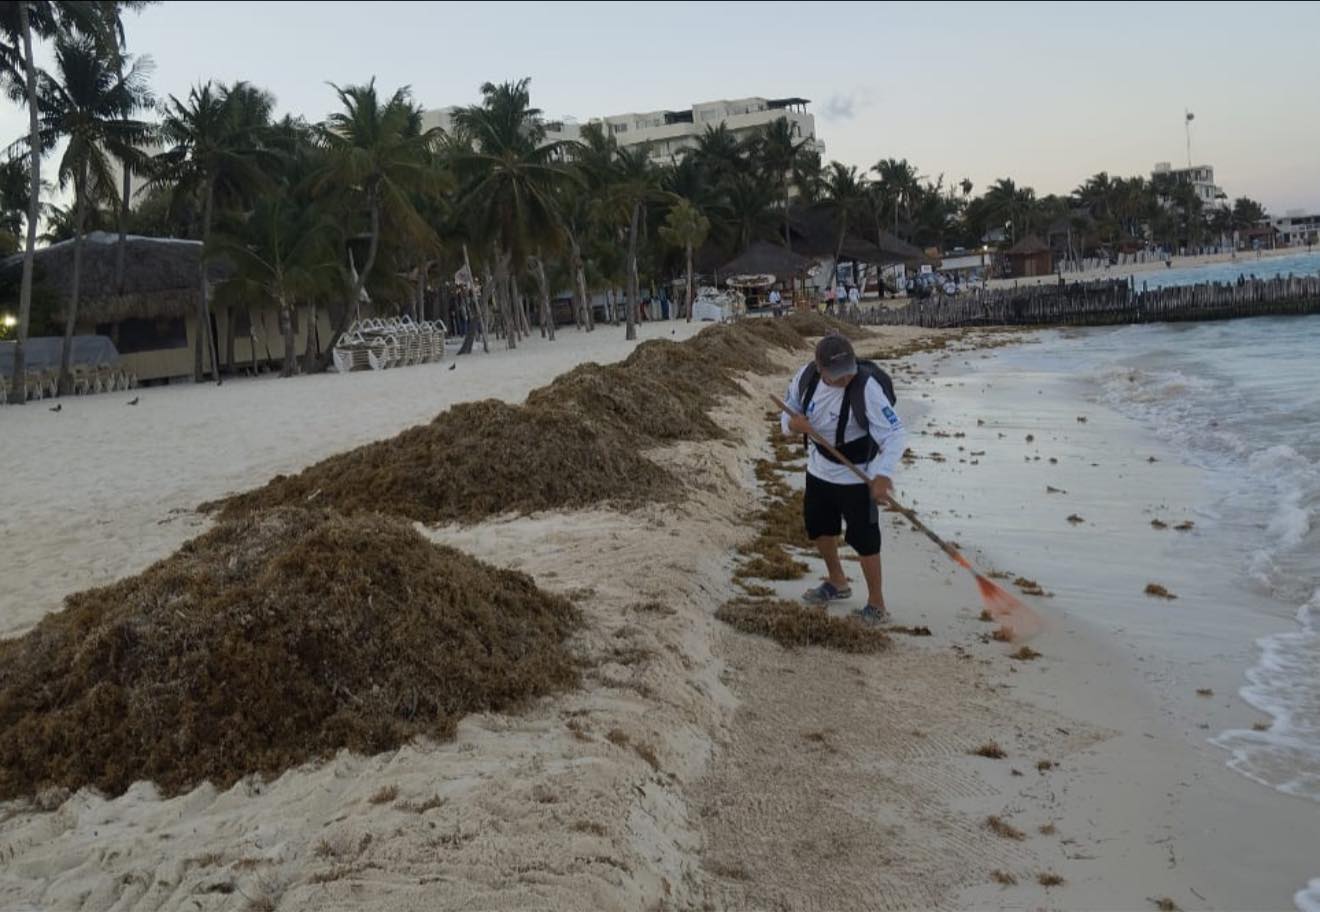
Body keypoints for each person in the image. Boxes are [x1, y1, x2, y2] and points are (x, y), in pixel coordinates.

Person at [780, 334, 907, 625]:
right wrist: (792, 425)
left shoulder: (866, 387)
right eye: (837, 375)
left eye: (848, 371)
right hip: (819, 468)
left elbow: (895, 434)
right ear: (820, 368)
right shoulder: (806, 378)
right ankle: (837, 581)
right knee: (819, 527)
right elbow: (787, 411)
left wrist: (883, 474)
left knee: (865, 539)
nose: (845, 379)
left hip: (858, 473)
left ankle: (876, 604)